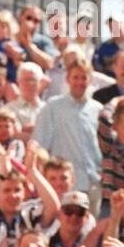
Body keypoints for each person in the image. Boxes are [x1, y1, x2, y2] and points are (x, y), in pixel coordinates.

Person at [33, 60, 102, 212]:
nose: (79, 82)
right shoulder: (52, 107)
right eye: (75, 77)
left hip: (93, 183)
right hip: (65, 184)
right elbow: (39, 145)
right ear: (67, 79)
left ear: (90, 80)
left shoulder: (98, 109)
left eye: (84, 78)